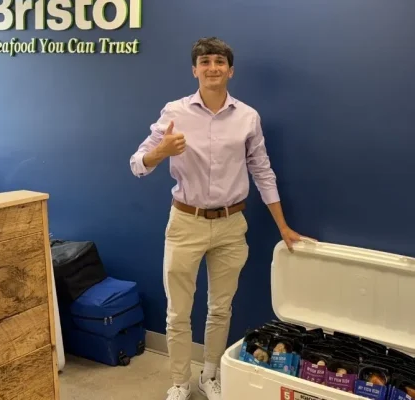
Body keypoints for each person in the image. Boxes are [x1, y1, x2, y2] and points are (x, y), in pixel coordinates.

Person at [129, 37, 310, 400]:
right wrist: (160, 152)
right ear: (194, 70)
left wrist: (283, 226)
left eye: (219, 62)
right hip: (186, 223)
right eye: (205, 61)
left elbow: (262, 171)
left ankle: (209, 374)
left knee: (220, 308)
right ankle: (180, 382)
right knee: (178, 312)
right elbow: (137, 164)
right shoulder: (175, 112)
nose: (212, 68)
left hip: (231, 225)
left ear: (231, 70)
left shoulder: (247, 117)